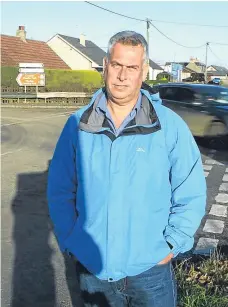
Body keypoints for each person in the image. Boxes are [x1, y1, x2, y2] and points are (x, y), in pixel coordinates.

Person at [47, 30, 206, 307]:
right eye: (117, 65)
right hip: (93, 269)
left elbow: (190, 192)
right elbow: (60, 190)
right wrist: (71, 239)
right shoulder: (78, 125)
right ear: (106, 66)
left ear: (143, 71)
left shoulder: (169, 126)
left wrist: (170, 246)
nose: (122, 75)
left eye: (131, 67)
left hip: (151, 271)